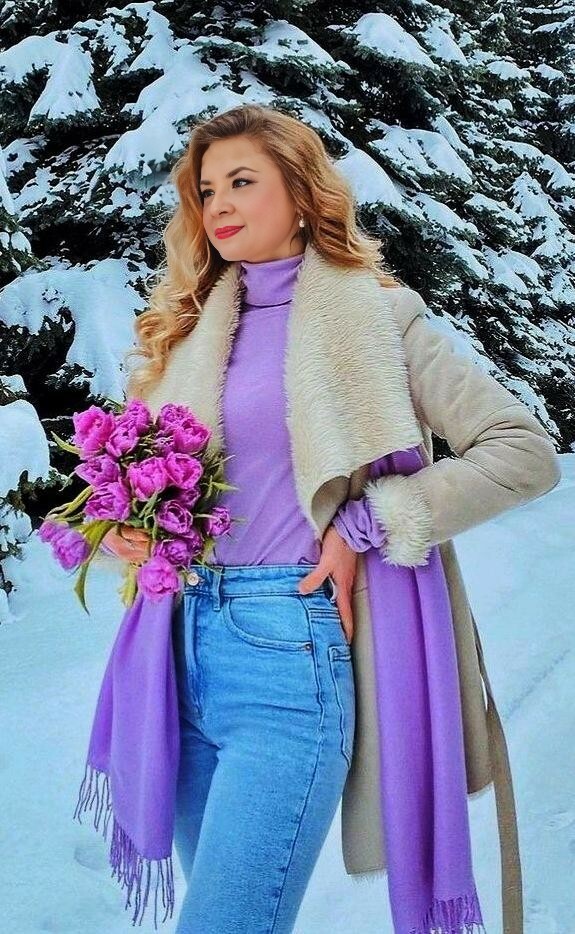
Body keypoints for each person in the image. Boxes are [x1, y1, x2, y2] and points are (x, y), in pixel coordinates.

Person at [97, 103, 561, 933]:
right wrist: (131, 533)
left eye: (242, 181)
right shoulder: (193, 332)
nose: (220, 204)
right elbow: (166, 492)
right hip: (178, 647)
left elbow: (521, 452)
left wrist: (364, 524)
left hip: (290, 648)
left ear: (302, 193)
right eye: (207, 190)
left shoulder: (376, 319)